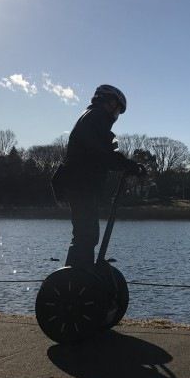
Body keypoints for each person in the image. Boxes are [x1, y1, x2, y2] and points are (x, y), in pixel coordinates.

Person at [61, 84, 143, 269]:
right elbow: (101, 152)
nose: (117, 114)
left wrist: (126, 164)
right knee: (86, 235)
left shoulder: (93, 118)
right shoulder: (96, 117)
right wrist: (128, 165)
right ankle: (76, 279)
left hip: (82, 185)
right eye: (117, 108)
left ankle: (81, 275)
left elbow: (103, 153)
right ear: (108, 102)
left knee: (87, 235)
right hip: (81, 185)